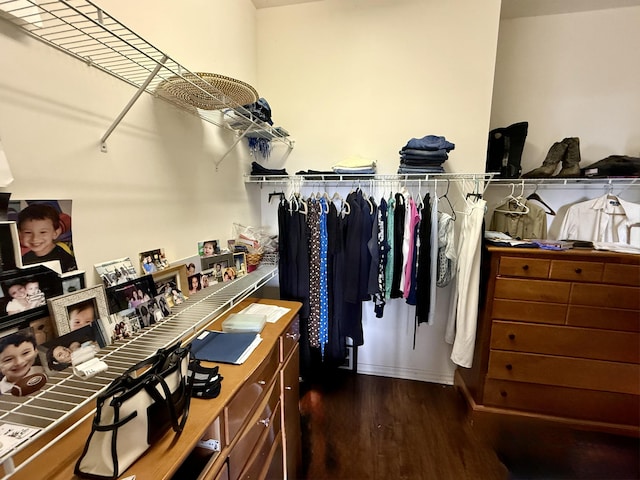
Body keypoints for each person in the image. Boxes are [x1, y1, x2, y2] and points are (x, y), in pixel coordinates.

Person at [17, 203, 77, 272]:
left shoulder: (66, 261)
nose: (35, 238)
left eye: (43, 232)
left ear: (55, 233)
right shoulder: (23, 260)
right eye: (28, 232)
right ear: (20, 233)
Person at [0, 331, 46, 395]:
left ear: (35, 351)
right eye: (8, 359)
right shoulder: (1, 390)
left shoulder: (45, 370)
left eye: (25, 353)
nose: (19, 362)